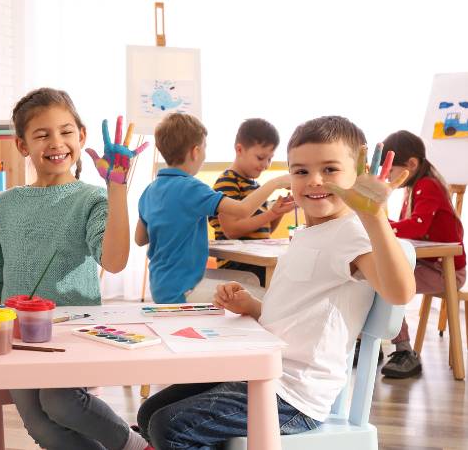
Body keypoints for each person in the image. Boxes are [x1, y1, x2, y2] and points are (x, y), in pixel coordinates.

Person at [137, 115, 415, 449]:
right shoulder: (307, 234)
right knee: (149, 413)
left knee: (171, 427)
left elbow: (400, 292)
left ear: (358, 172)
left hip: (295, 397)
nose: (314, 181)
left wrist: (375, 217)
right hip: (263, 371)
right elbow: (299, 313)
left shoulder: (353, 234)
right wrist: (253, 306)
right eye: (301, 171)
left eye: (329, 169)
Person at [0, 87, 151, 450]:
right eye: (42, 134)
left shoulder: (91, 198)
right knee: (39, 427)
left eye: (65, 131)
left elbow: (115, 261)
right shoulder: (5, 205)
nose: (56, 142)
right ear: (22, 145)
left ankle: (138, 447)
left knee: (60, 402)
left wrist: (116, 188)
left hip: (74, 332)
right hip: (19, 335)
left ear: (82, 136)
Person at [135, 113, 291, 304]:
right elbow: (243, 210)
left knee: (250, 280)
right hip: (185, 289)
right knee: (268, 299)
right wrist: (276, 182)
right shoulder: (193, 188)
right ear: (195, 151)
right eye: (205, 148)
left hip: (160, 286)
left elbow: (140, 239)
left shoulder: (149, 190)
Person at [378, 129, 465, 378]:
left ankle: (404, 351)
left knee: (386, 281)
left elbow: (417, 227)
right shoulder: (414, 188)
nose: (388, 176)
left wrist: (382, 224)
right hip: (430, 266)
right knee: (376, 276)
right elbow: (410, 229)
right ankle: (371, 342)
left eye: (391, 169)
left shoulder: (427, 185)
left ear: (412, 164)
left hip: (446, 271)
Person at [209, 118, 294, 286]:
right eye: (261, 157)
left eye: (270, 159)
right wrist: (271, 213)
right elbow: (231, 231)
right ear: (239, 149)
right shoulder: (227, 182)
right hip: (236, 264)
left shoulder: (256, 186)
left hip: (257, 260)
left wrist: (278, 213)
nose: (266, 165)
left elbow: (264, 231)